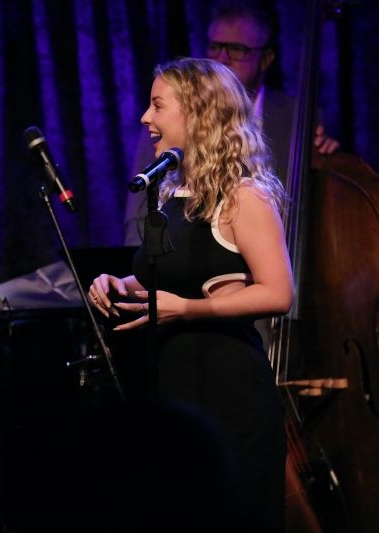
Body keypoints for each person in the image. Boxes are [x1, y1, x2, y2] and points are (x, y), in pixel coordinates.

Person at [89, 58, 292, 531]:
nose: (145, 117)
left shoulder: (245, 197)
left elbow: (279, 292)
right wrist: (122, 284)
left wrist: (188, 309)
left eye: (158, 105)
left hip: (230, 397)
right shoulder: (172, 194)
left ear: (197, 113)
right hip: (175, 394)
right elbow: (172, 279)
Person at [124, 0, 339, 245]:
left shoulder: (298, 117)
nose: (222, 58)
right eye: (215, 46)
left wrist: (329, 161)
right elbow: (138, 220)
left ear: (266, 58)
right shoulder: (168, 120)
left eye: (237, 49)